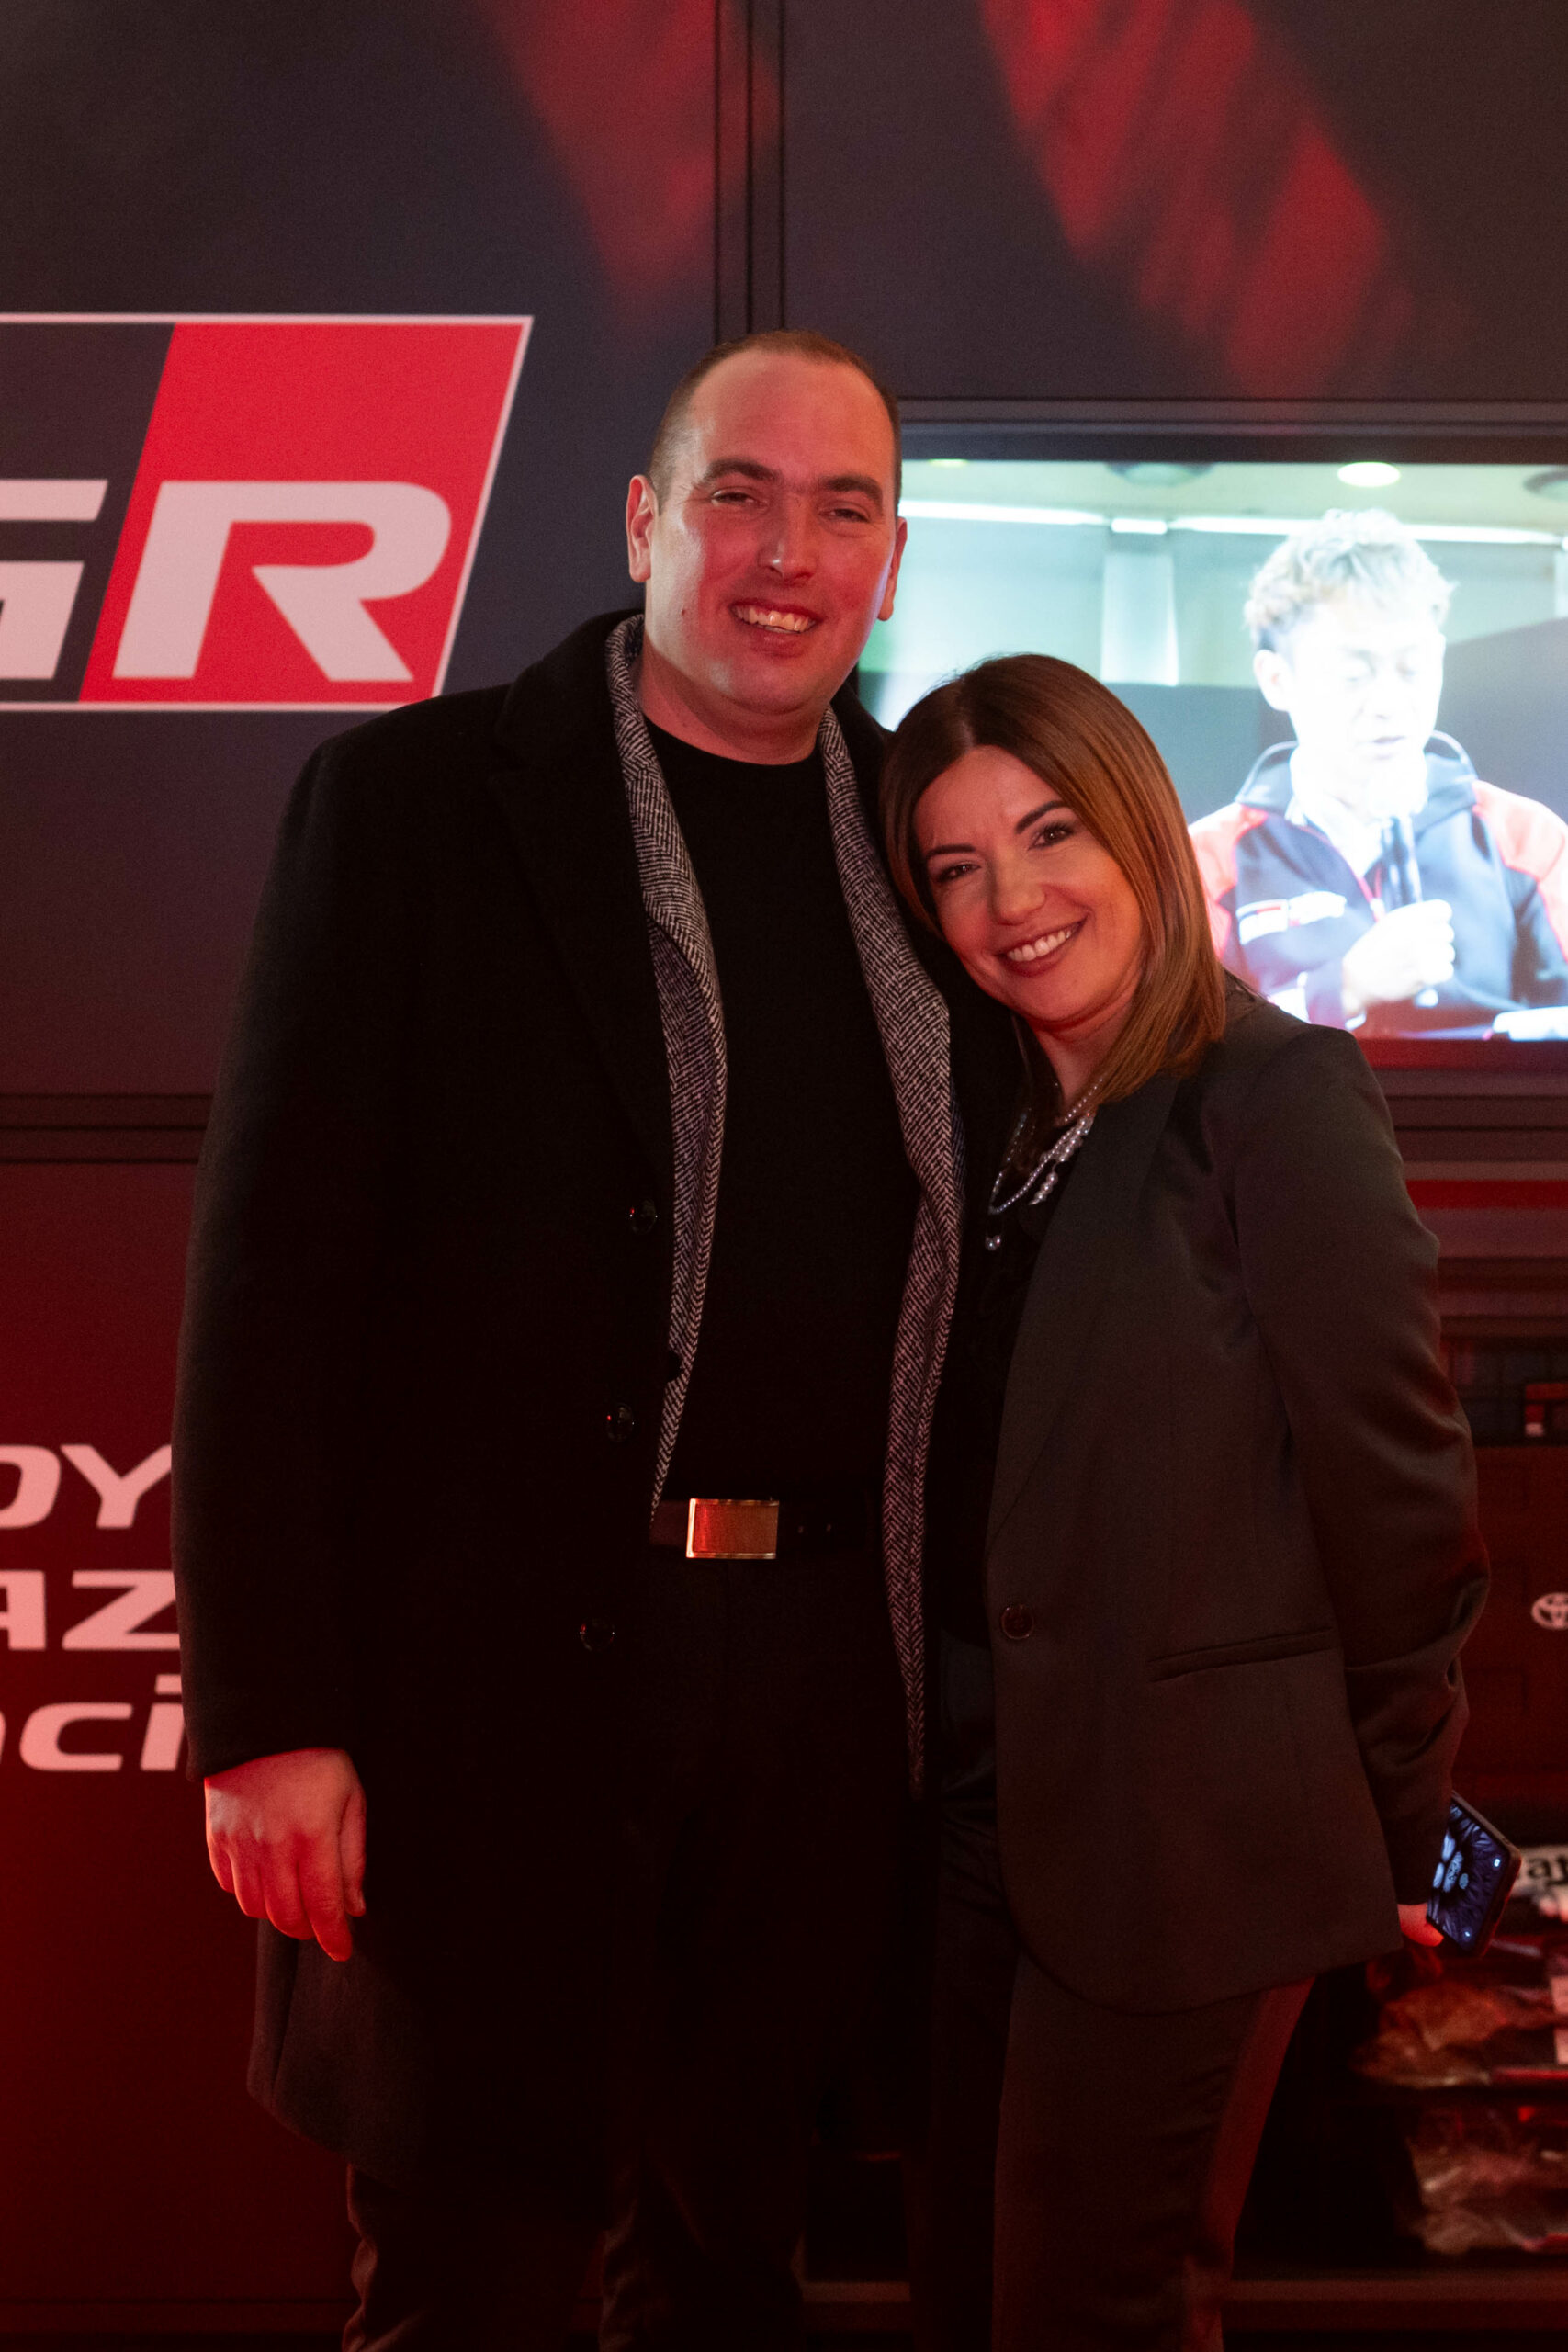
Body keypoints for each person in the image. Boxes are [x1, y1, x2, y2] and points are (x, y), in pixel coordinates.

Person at [172, 328, 1015, 2351]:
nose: (785, 554)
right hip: (486, 1682)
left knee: (727, 2273)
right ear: (645, 519)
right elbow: (271, 1280)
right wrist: (268, 1712)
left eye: (841, 510)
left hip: (821, 1691)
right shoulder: (411, 807)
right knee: (462, 2280)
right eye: (739, 494)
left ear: (893, 560)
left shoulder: (932, 849)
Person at [880, 654, 1488, 2350]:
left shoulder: (1273, 1095)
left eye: (1047, 834)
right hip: (980, 1825)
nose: (1010, 903)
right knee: (963, 2302)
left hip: (1189, 1840)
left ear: (1140, 827)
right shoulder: (992, 1129)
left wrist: (1399, 1821)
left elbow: (1394, 1488)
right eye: (954, 867)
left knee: (1095, 2309)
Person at [1190, 508, 1568, 1035]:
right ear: (1277, 679)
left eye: (1413, 668)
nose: (1390, 703)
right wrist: (1342, 989)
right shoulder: (1205, 863)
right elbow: (1181, 1049)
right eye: (1353, 673)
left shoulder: (1528, 838)